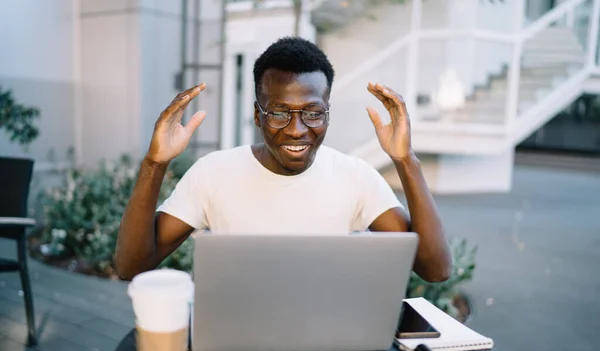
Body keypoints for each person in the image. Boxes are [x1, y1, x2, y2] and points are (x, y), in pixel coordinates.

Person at [115, 37, 452, 282]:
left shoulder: (355, 177)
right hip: (237, 348)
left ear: (327, 114)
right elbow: (132, 266)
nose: (296, 130)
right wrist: (154, 164)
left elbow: (434, 269)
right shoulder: (213, 173)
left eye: (313, 113)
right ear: (257, 116)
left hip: (326, 349)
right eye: (278, 113)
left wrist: (406, 161)